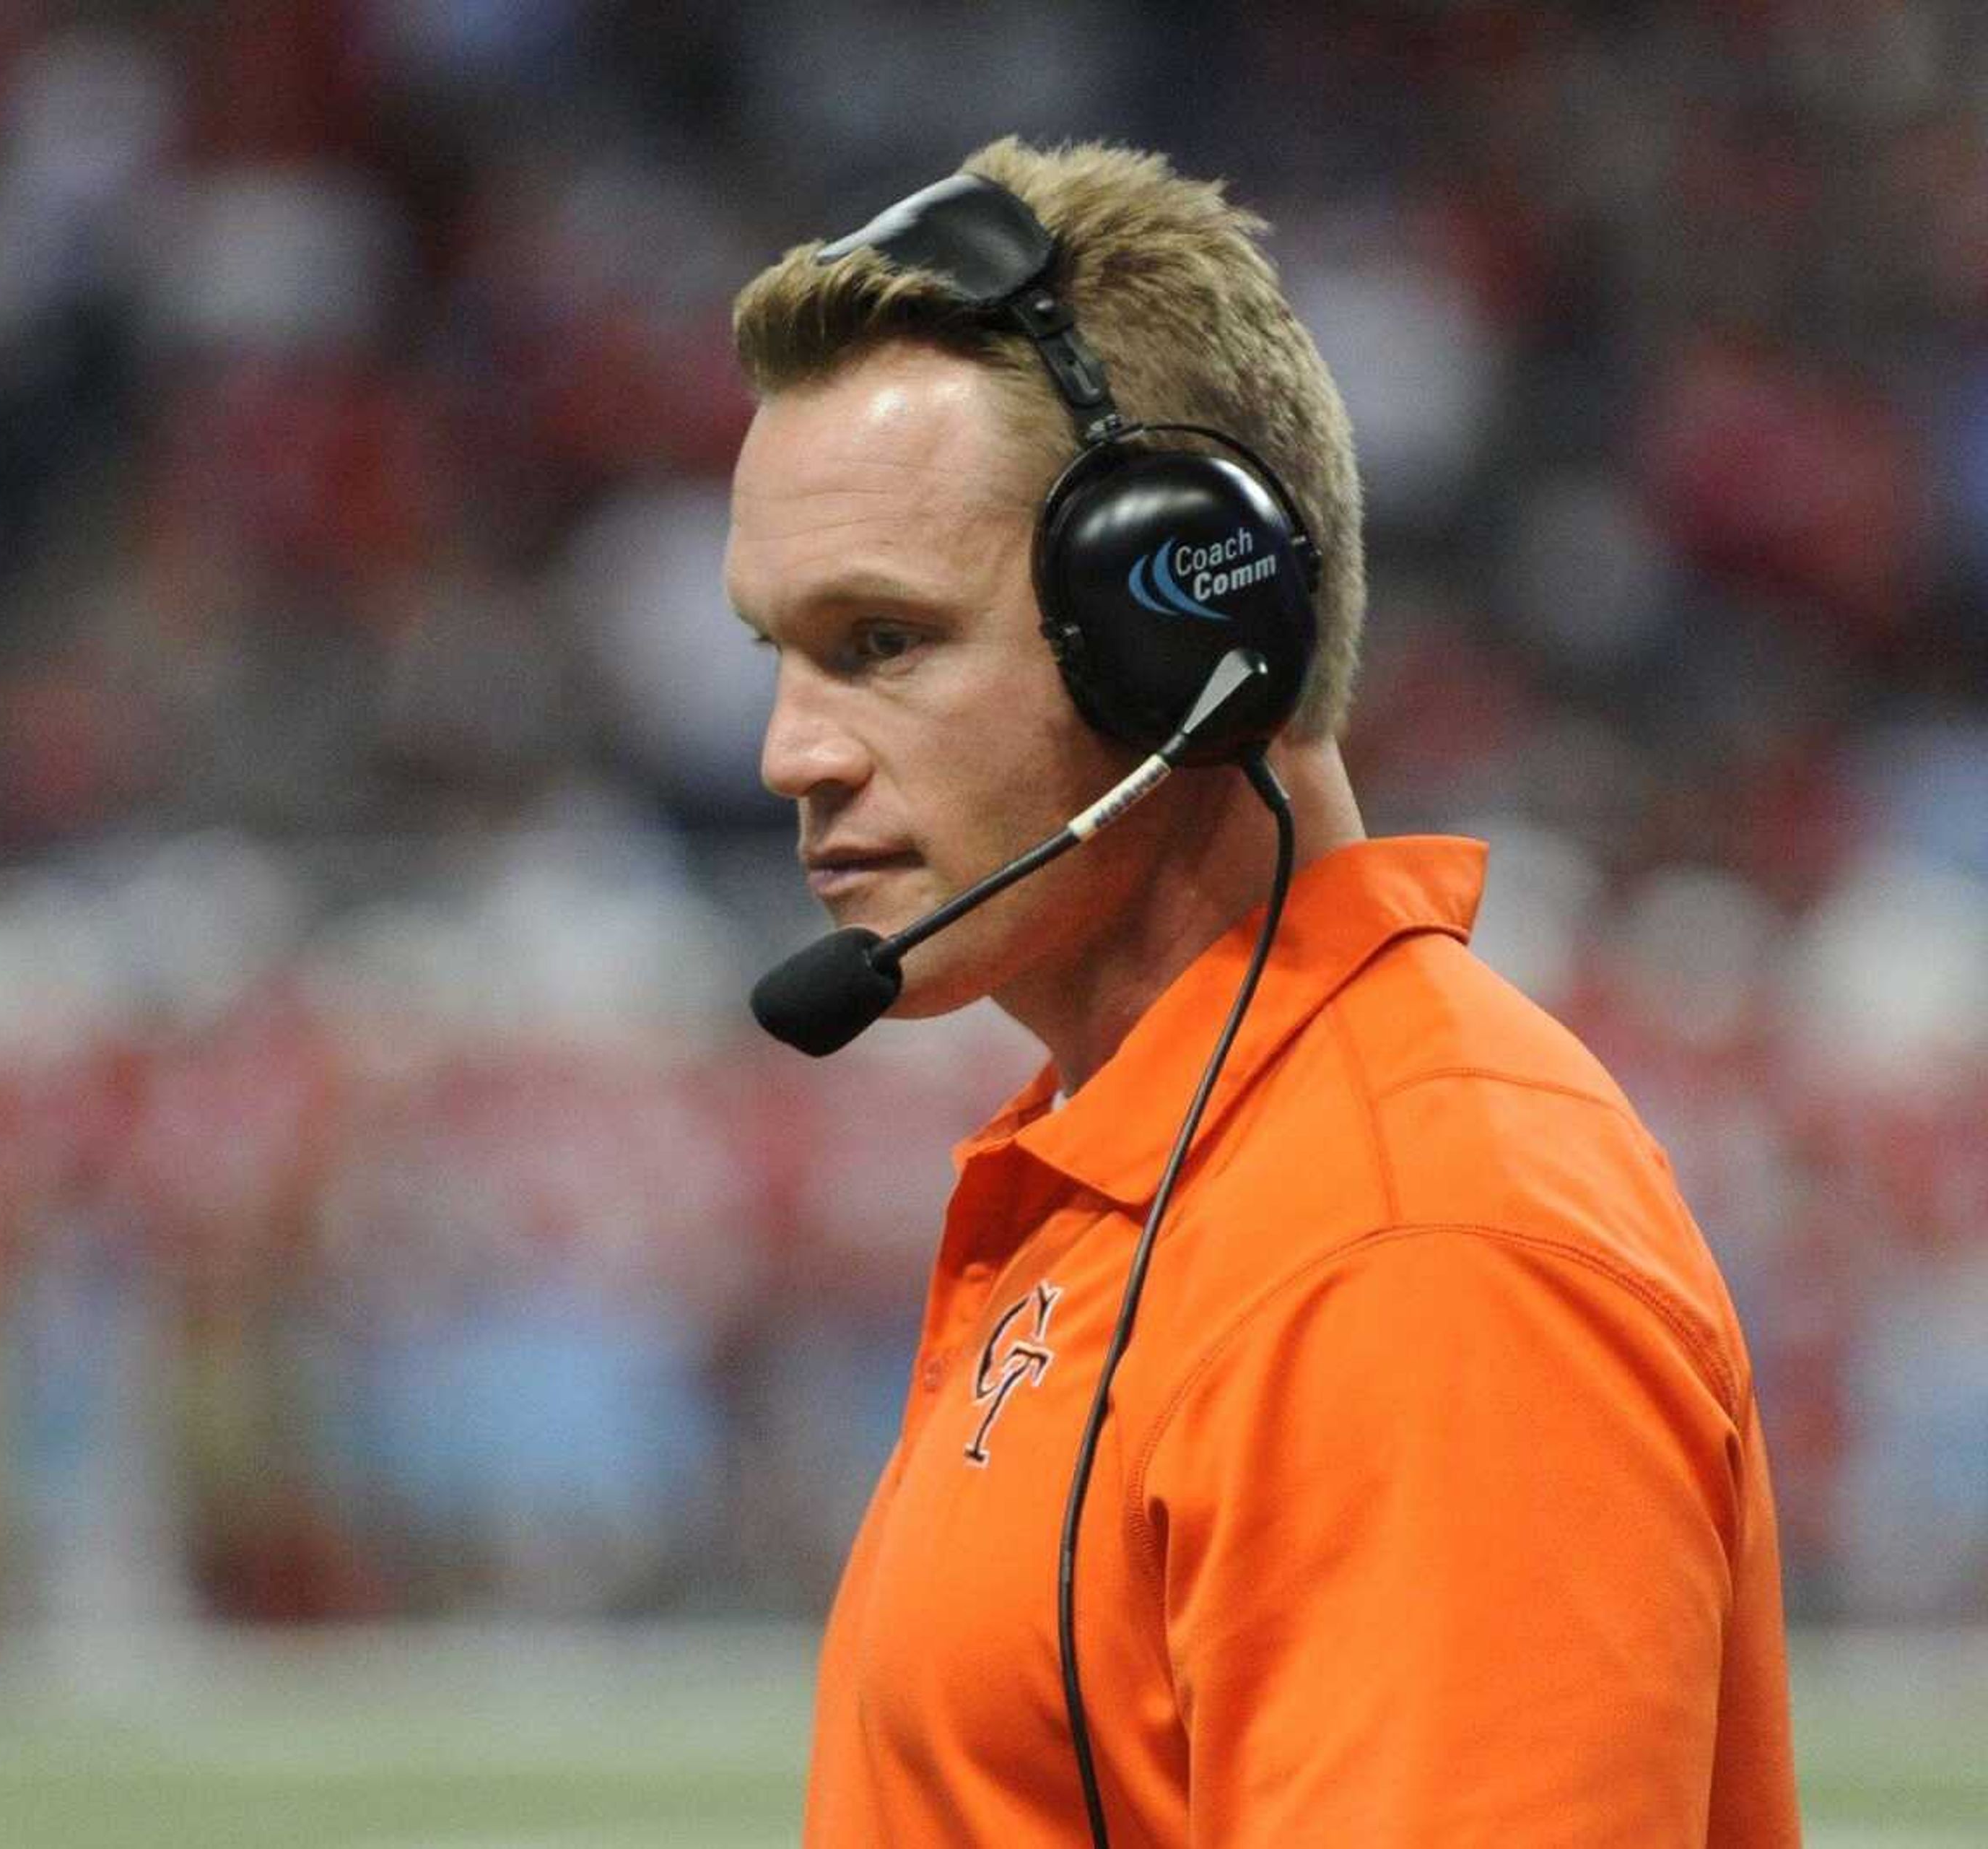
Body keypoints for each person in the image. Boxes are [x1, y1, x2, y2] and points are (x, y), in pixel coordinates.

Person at [721, 136, 1801, 1845]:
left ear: (1179, 627)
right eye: (773, 653)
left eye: (884, 642)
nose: (793, 753)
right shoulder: (1150, 1175)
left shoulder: (1409, 1253)